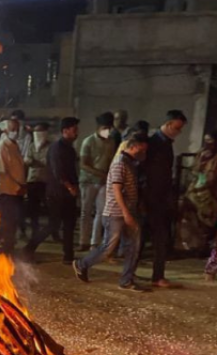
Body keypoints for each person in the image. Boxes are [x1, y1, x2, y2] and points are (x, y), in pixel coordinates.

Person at [74, 133, 150, 292]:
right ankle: (82, 264)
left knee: (132, 246)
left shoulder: (130, 163)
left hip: (127, 211)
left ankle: (127, 280)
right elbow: (116, 190)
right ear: (134, 146)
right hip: (116, 213)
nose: (144, 152)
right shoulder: (120, 163)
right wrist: (126, 213)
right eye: (142, 148)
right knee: (108, 248)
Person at [24, 117, 80, 264]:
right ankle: (29, 248)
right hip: (57, 193)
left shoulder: (69, 148)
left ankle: (68, 256)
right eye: (74, 130)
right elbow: (58, 171)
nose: (76, 132)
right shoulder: (57, 148)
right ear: (65, 131)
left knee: (69, 224)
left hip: (68, 193)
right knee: (53, 224)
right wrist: (69, 186)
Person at [144, 110, 187, 288]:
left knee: (155, 238)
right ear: (169, 124)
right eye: (177, 128)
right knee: (157, 238)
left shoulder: (165, 143)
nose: (178, 132)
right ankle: (155, 276)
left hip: (159, 198)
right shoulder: (154, 143)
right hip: (152, 198)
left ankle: (154, 275)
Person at [78, 112, 116, 251]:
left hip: (103, 182)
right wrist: (101, 173)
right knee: (85, 212)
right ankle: (83, 241)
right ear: (99, 127)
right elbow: (83, 164)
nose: (108, 130)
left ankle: (94, 242)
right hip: (88, 181)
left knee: (101, 212)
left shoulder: (111, 142)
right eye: (105, 127)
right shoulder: (88, 141)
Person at [179, 131, 217, 252]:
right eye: (206, 141)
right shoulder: (201, 153)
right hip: (197, 189)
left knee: (209, 216)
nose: (207, 144)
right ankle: (195, 243)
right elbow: (194, 169)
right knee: (188, 211)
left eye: (210, 141)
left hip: (211, 193)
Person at [0, 125, 26, 256]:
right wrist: (18, 186)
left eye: (17, 127)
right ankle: (3, 247)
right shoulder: (1, 147)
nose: (16, 131)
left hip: (17, 191)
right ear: (5, 130)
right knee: (7, 221)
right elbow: (2, 172)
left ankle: (8, 246)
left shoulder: (14, 145)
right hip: (7, 191)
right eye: (13, 128)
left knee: (13, 220)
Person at [24, 123, 51, 245]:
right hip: (32, 180)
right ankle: (34, 232)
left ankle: (52, 232)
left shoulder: (50, 147)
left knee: (49, 208)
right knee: (33, 209)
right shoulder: (31, 146)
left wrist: (35, 162)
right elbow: (27, 160)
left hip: (45, 181)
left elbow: (48, 162)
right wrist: (33, 162)